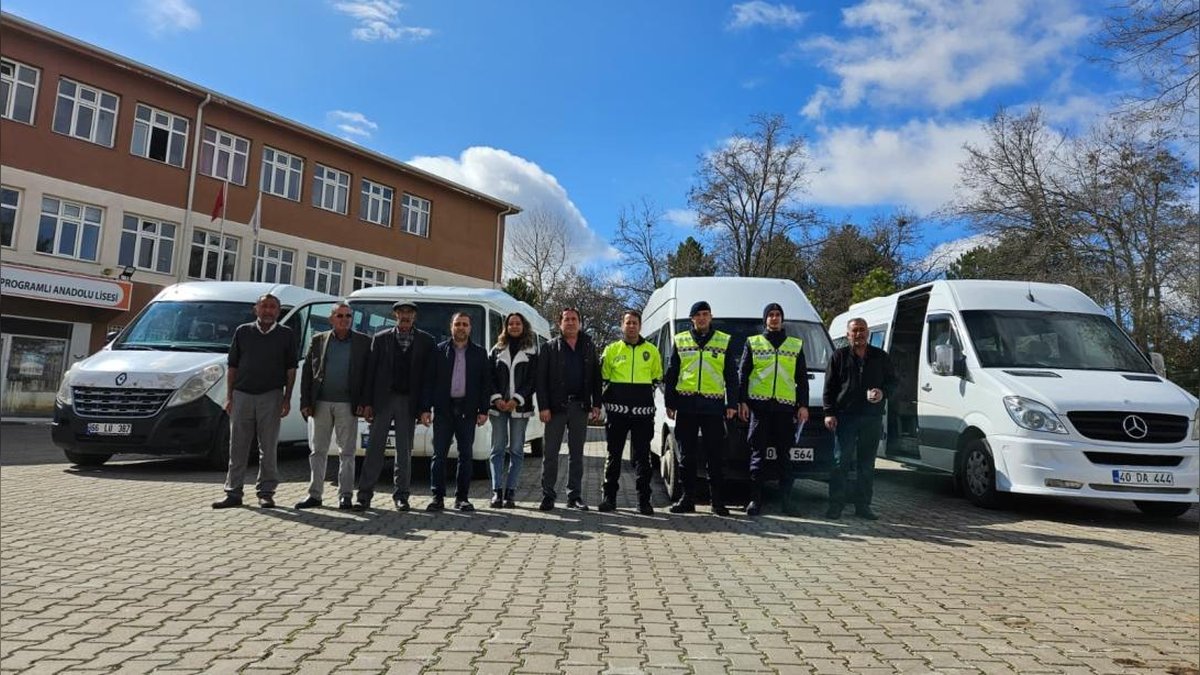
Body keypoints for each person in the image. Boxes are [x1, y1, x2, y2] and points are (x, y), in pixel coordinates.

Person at [212, 293, 297, 509]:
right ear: (256, 309)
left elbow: (291, 369)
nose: (268, 311)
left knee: (267, 447)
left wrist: (287, 398)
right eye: (264, 306)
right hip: (242, 395)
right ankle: (233, 492)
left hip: (271, 395)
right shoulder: (243, 332)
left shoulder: (286, 334)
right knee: (237, 446)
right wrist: (230, 397)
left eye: (272, 307)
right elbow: (233, 366)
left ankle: (266, 492)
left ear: (278, 312)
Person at [355, 300, 435, 511]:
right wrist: (367, 403)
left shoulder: (426, 341)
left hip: (409, 402)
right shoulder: (381, 339)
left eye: (410, 313)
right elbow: (370, 373)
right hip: (383, 400)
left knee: (404, 451)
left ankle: (402, 496)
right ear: (395, 315)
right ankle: (364, 495)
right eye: (402, 312)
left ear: (415, 317)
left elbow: (429, 378)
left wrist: (425, 407)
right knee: (374, 448)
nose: (406, 316)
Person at [664, 301, 737, 516]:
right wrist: (670, 402)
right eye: (698, 315)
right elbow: (672, 374)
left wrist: (732, 403)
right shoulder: (680, 340)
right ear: (692, 319)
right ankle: (687, 498)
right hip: (686, 405)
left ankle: (717, 501)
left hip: (713, 407)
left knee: (715, 455)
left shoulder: (724, 341)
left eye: (706, 314)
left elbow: (731, 375)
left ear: (711, 317)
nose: (703, 318)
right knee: (686, 455)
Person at [295, 302, 371, 511]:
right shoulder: (318, 340)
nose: (344, 319)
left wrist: (365, 403)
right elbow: (308, 374)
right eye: (340, 316)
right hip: (320, 404)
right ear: (331, 319)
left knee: (346, 452)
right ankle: (315, 495)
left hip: (348, 405)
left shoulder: (363, 342)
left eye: (348, 316)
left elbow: (368, 376)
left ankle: (345, 496)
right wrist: (305, 402)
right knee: (317, 450)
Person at [737, 302, 809, 517]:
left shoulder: (795, 345)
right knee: (757, 456)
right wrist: (742, 402)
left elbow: (801, 379)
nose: (775, 318)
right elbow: (743, 374)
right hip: (759, 409)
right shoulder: (753, 343)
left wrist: (803, 405)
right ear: (765, 319)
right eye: (771, 315)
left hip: (785, 409)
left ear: (782, 319)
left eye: (778, 315)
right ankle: (755, 501)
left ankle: (787, 502)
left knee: (785, 459)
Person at [824, 317, 898, 520]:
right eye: (855, 330)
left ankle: (863, 506)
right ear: (848, 335)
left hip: (871, 418)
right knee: (841, 463)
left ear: (868, 332)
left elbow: (893, 383)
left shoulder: (880, 357)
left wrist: (882, 393)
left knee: (866, 464)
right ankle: (835, 505)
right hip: (845, 418)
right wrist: (829, 412)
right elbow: (829, 388)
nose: (859, 334)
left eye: (862, 330)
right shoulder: (838, 356)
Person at [535, 307, 602, 511]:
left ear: (580, 322)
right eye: (567, 319)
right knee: (551, 453)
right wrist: (544, 406)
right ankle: (548, 495)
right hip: (555, 409)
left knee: (577, 454)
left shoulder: (589, 346)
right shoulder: (549, 347)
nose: (571, 322)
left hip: (580, 407)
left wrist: (596, 404)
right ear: (560, 323)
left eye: (574, 319)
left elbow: (596, 378)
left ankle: (575, 496)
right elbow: (541, 380)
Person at [598, 310, 662, 515]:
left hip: (643, 415)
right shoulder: (611, 350)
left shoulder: (652, 351)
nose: (631, 326)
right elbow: (604, 378)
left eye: (635, 323)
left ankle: (644, 501)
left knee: (644, 458)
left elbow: (656, 377)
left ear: (640, 326)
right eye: (628, 323)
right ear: (622, 325)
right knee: (613, 455)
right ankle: (609, 498)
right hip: (617, 414)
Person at [427, 312, 492, 511]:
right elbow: (429, 382)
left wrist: (484, 410)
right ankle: (437, 497)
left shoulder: (480, 354)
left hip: (468, 410)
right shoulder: (439, 351)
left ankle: (462, 498)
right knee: (439, 455)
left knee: (465, 456)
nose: (461, 327)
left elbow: (485, 384)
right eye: (458, 324)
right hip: (443, 410)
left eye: (465, 324)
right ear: (451, 327)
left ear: (470, 328)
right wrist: (425, 409)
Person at [487, 312, 538, 508]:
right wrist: (497, 398)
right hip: (498, 407)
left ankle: (510, 492)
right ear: (506, 327)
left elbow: (532, 380)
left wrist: (516, 399)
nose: (514, 327)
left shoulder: (532, 351)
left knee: (516, 450)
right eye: (511, 324)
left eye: (518, 323)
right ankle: (496, 491)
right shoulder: (496, 349)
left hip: (520, 407)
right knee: (497, 449)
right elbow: (489, 376)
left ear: (523, 326)